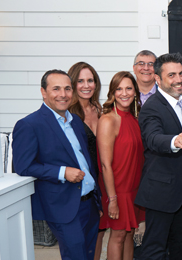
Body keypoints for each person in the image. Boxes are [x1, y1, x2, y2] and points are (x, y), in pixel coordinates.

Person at [13, 69, 100, 260]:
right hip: (63, 206)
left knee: (89, 254)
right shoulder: (29, 125)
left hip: (89, 204)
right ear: (43, 92)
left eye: (68, 89)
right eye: (56, 89)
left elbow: (84, 159)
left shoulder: (75, 121)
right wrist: (62, 172)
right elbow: (22, 166)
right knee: (75, 256)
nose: (63, 94)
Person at [134, 53, 182, 260]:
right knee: (154, 248)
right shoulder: (152, 106)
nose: (179, 79)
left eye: (180, 73)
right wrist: (173, 141)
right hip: (162, 193)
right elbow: (152, 137)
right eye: (171, 75)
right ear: (158, 79)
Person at [96, 71, 145, 260]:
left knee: (129, 234)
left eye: (128, 88)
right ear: (112, 93)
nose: (124, 93)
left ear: (135, 92)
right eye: (119, 89)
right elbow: (105, 164)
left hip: (134, 189)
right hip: (117, 190)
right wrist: (113, 199)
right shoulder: (108, 120)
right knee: (117, 236)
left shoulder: (134, 118)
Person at [67, 62, 105, 260]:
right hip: (81, 185)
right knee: (79, 242)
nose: (86, 85)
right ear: (72, 84)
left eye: (90, 80)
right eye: (80, 81)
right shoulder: (68, 115)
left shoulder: (99, 110)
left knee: (99, 233)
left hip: (102, 179)